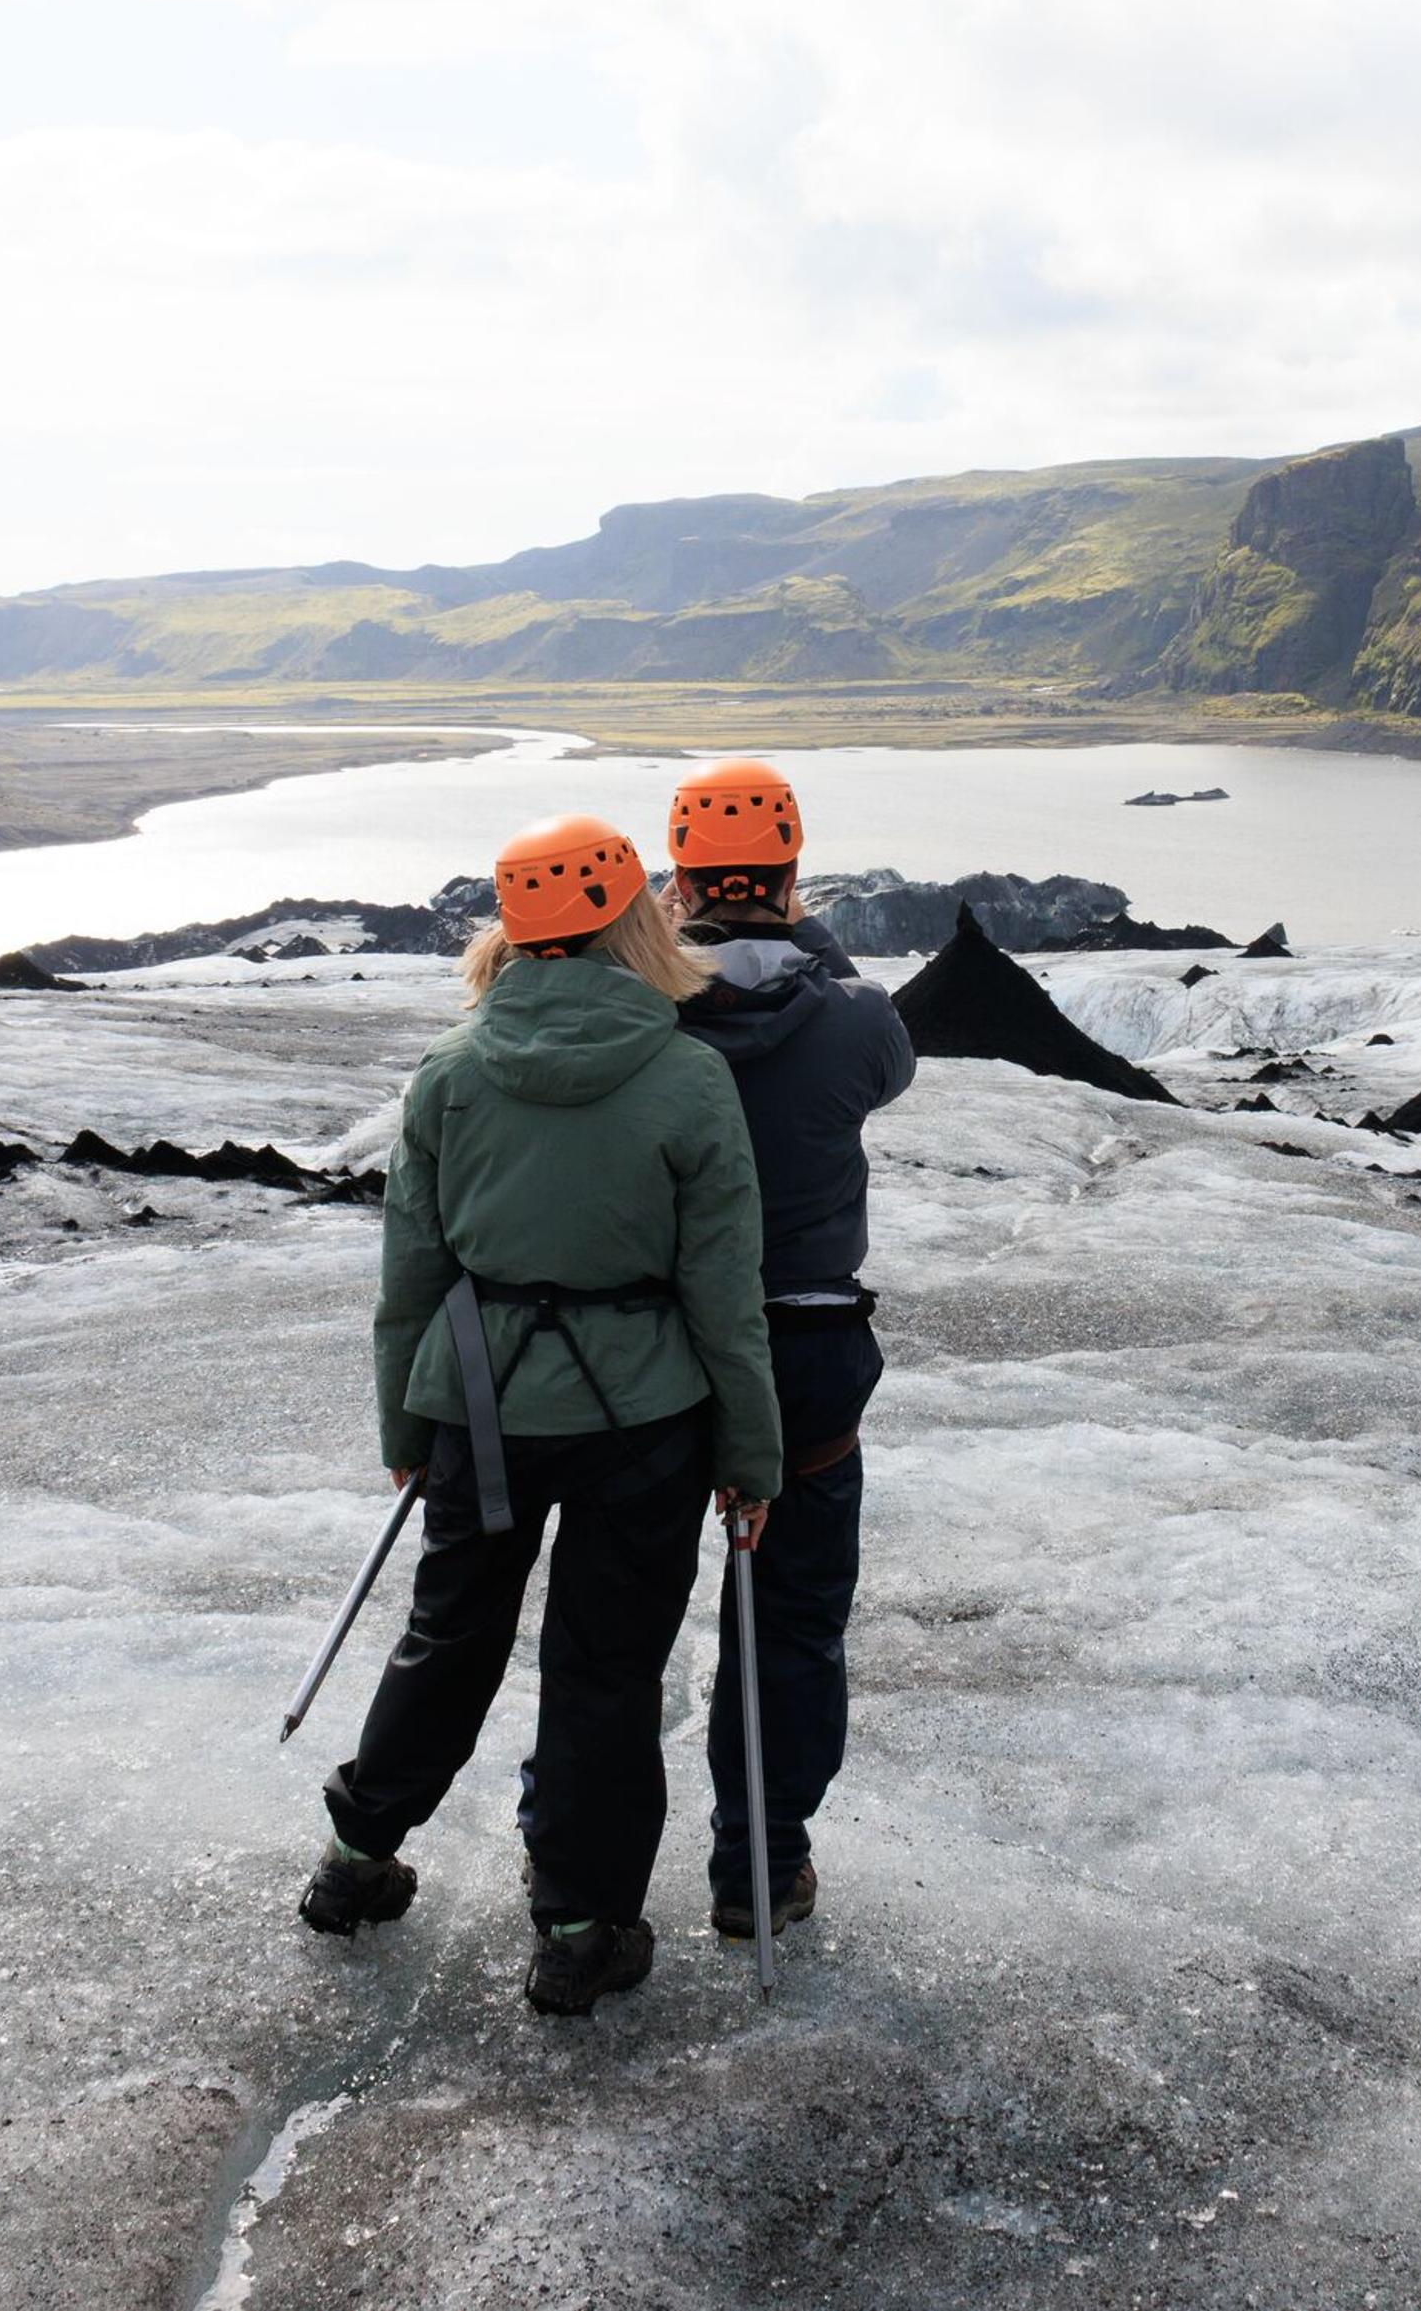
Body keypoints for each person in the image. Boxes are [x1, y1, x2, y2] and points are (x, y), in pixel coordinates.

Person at [300, 812, 783, 2018]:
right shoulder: (687, 1074)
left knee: (450, 1629)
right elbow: (724, 1292)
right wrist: (751, 1453)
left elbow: (410, 1274)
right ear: (636, 917)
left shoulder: (451, 1075)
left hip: (480, 1403)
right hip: (646, 1420)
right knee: (605, 1670)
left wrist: (405, 1431)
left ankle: (358, 1859)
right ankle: (578, 1927)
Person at [654, 758, 917, 1945]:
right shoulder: (856, 1015)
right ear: (794, 870)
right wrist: (807, 935)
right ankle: (759, 1860)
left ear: (678, 874)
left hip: (655, 1351)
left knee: (617, 1619)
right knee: (792, 1619)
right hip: (808, 1353)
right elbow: (886, 1071)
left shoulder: (645, 1012)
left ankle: (566, 1840)